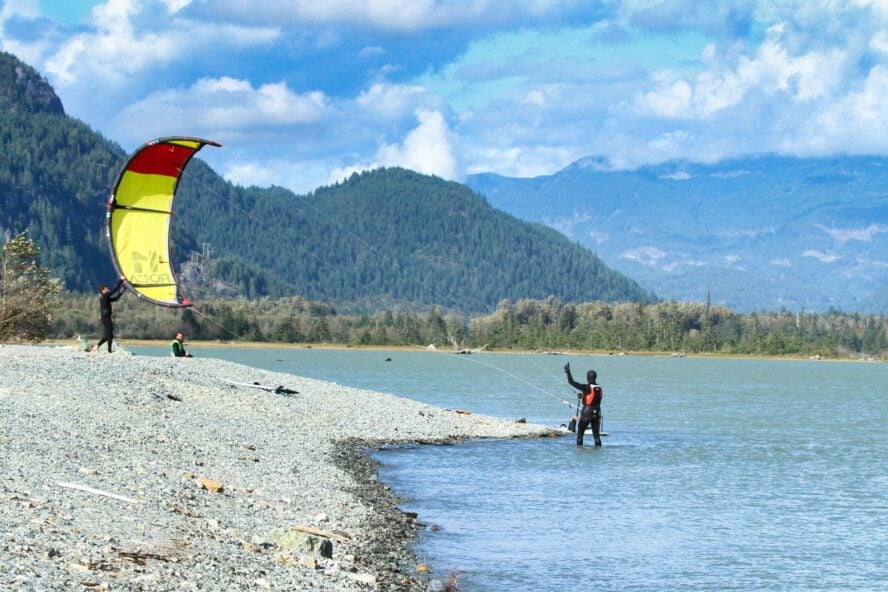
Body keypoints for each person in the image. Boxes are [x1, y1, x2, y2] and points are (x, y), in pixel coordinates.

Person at [564, 362, 603, 446]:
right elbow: (593, 398)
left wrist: (568, 371)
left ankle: (579, 452)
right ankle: (598, 453)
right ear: (595, 377)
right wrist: (583, 395)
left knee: (580, 434)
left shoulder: (586, 387)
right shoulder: (599, 388)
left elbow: (571, 382)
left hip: (587, 412)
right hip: (597, 413)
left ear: (588, 378)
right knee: (596, 436)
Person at [92, 279, 126, 353]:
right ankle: (108, 350)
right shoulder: (105, 296)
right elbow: (115, 289)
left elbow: (115, 299)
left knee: (109, 334)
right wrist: (121, 280)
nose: (108, 289)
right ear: (103, 291)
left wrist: (120, 293)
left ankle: (97, 347)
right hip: (105, 317)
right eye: (106, 288)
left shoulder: (105, 297)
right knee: (109, 334)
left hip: (107, 316)